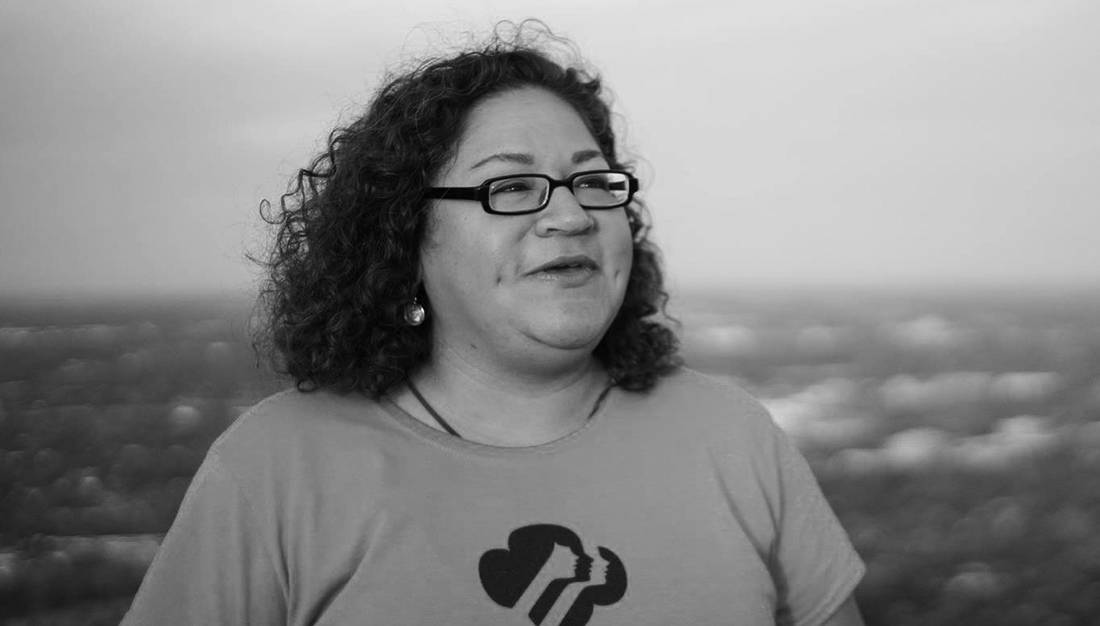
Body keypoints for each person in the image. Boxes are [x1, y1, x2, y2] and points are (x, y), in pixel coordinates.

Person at [123, 21, 865, 626]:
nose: (571, 214)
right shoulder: (275, 469)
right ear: (406, 236)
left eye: (591, 180)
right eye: (510, 186)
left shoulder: (732, 436)